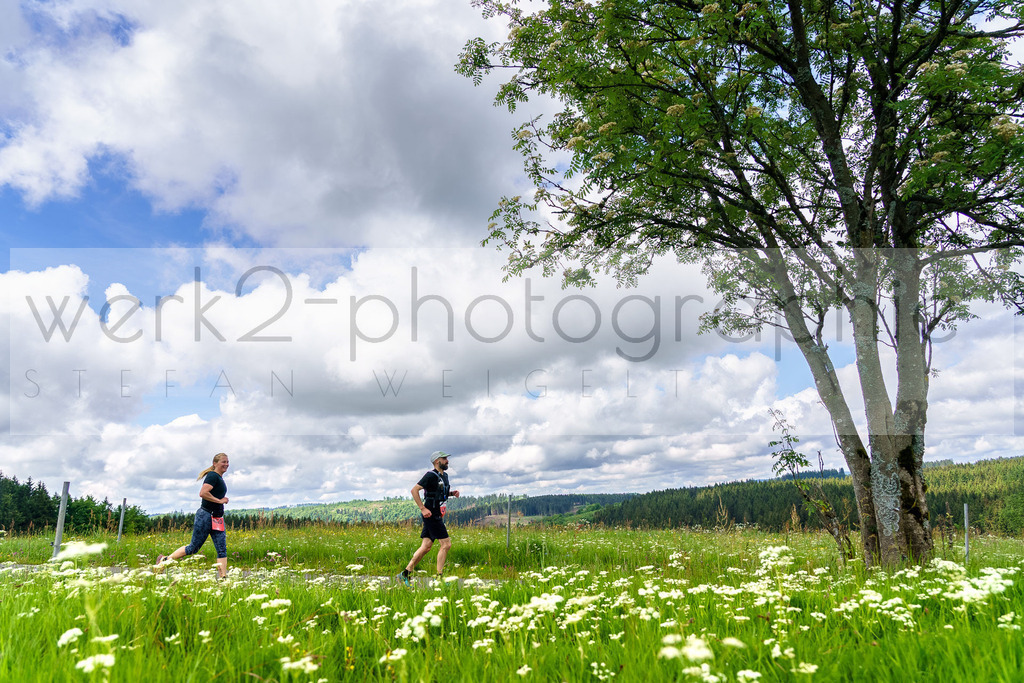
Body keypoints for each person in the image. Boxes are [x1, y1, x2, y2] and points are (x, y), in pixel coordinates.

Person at [154, 453, 231, 579]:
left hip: (217, 518)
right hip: (205, 516)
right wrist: (220, 501)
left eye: (227, 462)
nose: (226, 464)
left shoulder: (219, 478)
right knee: (193, 548)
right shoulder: (212, 476)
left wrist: (220, 501)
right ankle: (164, 560)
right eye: (223, 462)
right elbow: (203, 493)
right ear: (215, 463)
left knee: (222, 549)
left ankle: (224, 579)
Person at [397, 451, 460, 585]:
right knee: (446, 544)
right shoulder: (430, 475)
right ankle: (439, 577)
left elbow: (438, 493)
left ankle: (405, 574)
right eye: (444, 459)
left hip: (437, 513)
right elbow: (414, 490)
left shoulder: (445, 476)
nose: (447, 461)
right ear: (437, 461)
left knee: (426, 547)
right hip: (431, 514)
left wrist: (451, 493)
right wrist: (423, 508)